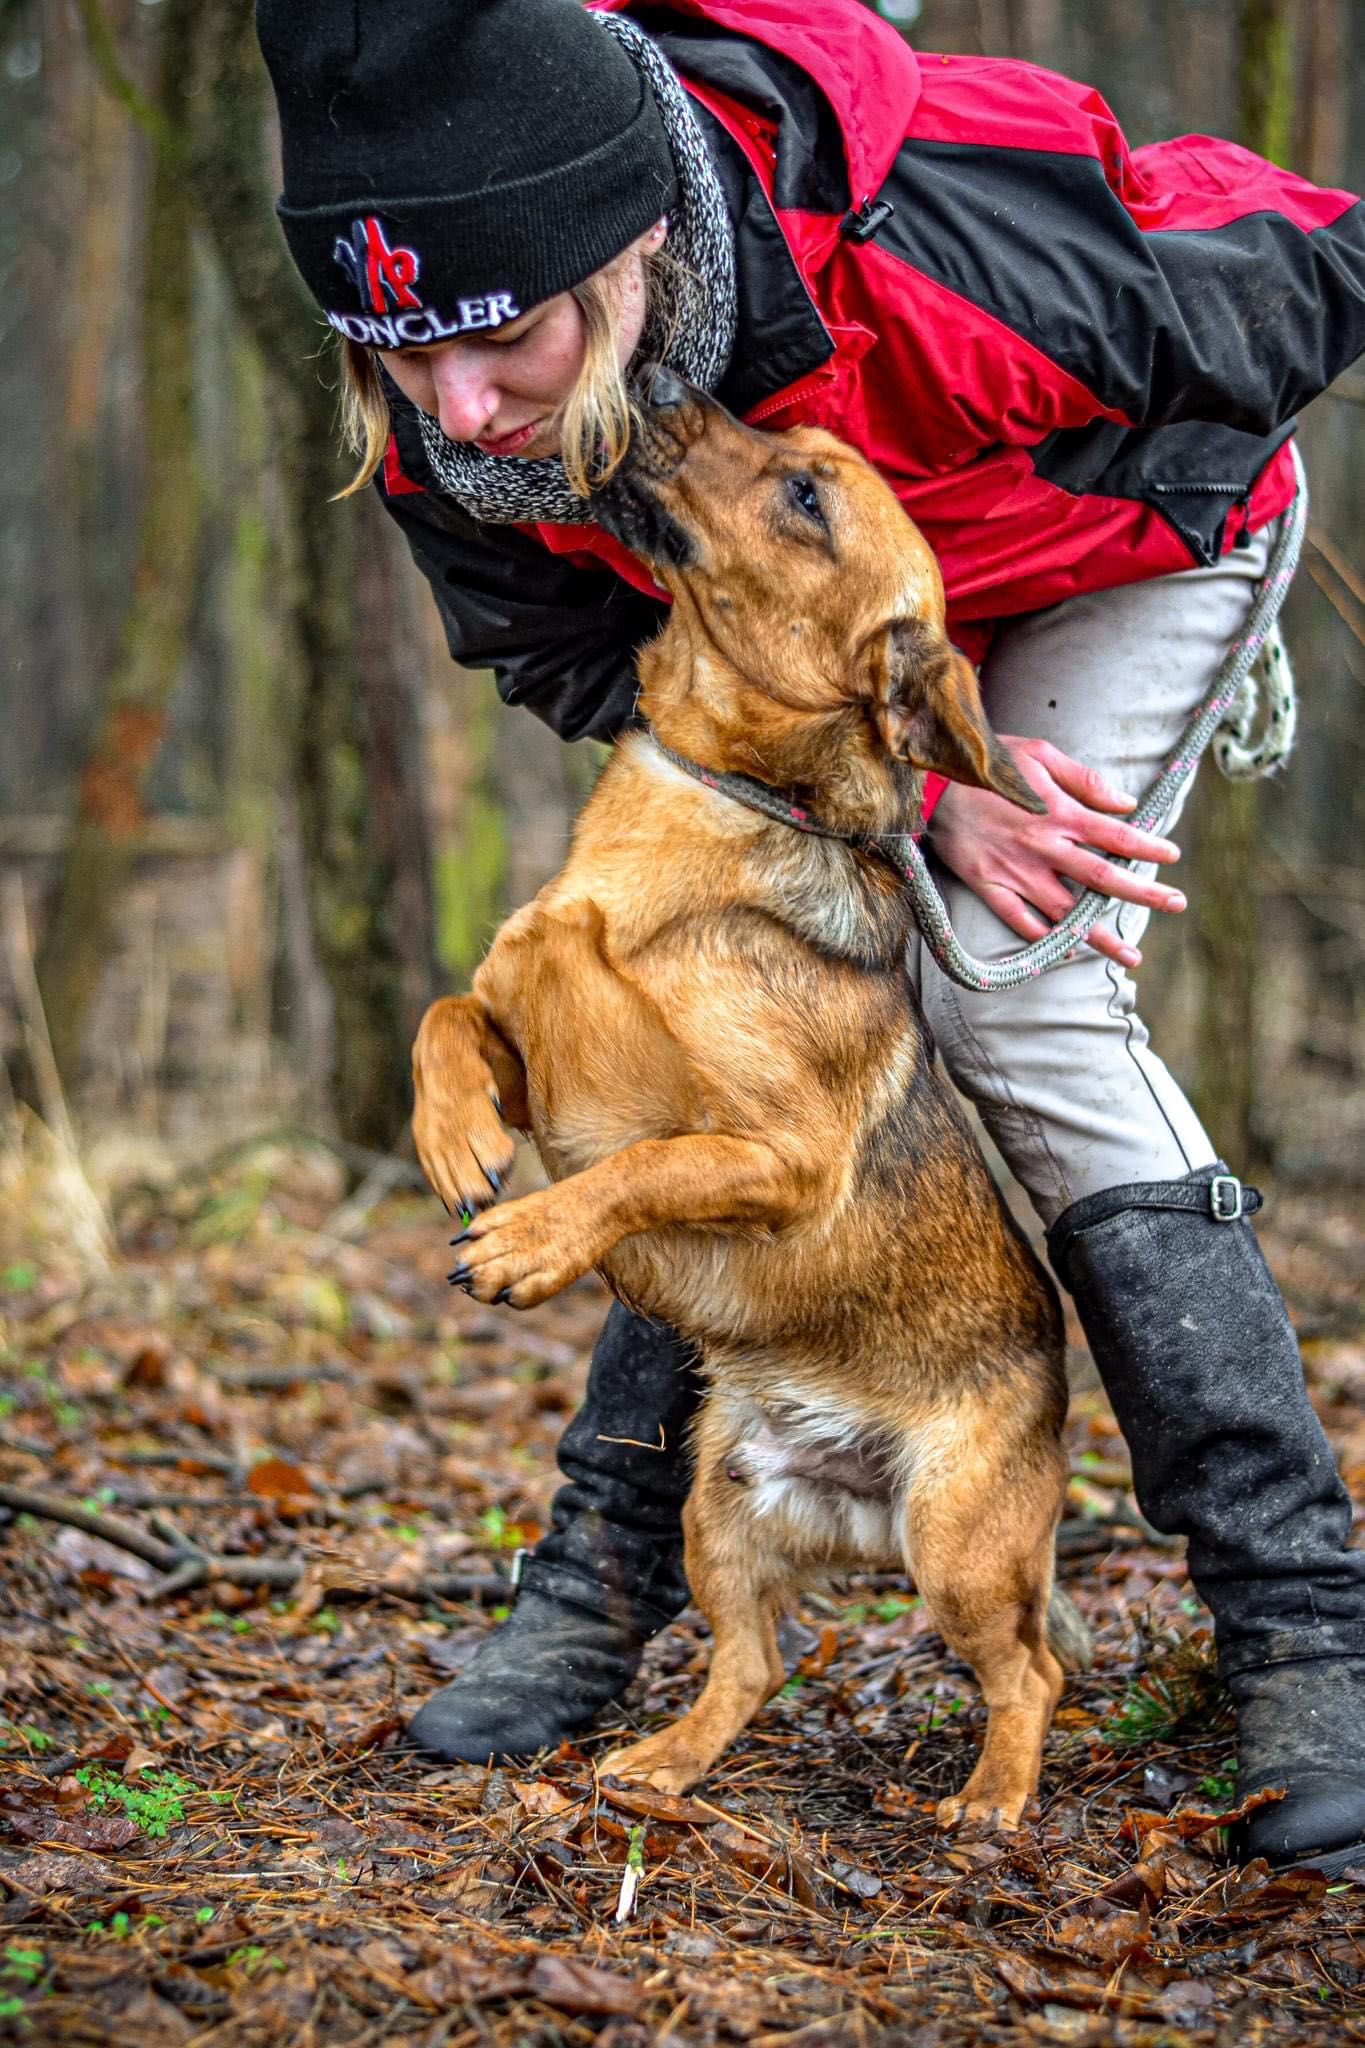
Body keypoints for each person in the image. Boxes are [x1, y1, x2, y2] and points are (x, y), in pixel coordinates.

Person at [255, 0, 1365, 1872]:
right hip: (831, 681)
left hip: (1120, 549)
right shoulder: (460, 426)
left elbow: (1301, 270)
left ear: (625, 247)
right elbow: (565, 651)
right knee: (718, 1009)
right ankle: (603, 1587)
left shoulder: (959, 249)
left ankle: (1305, 1628)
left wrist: (972, 693)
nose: (456, 412)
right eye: (399, 351)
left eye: (500, 340)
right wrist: (918, 785)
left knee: (1007, 1001)